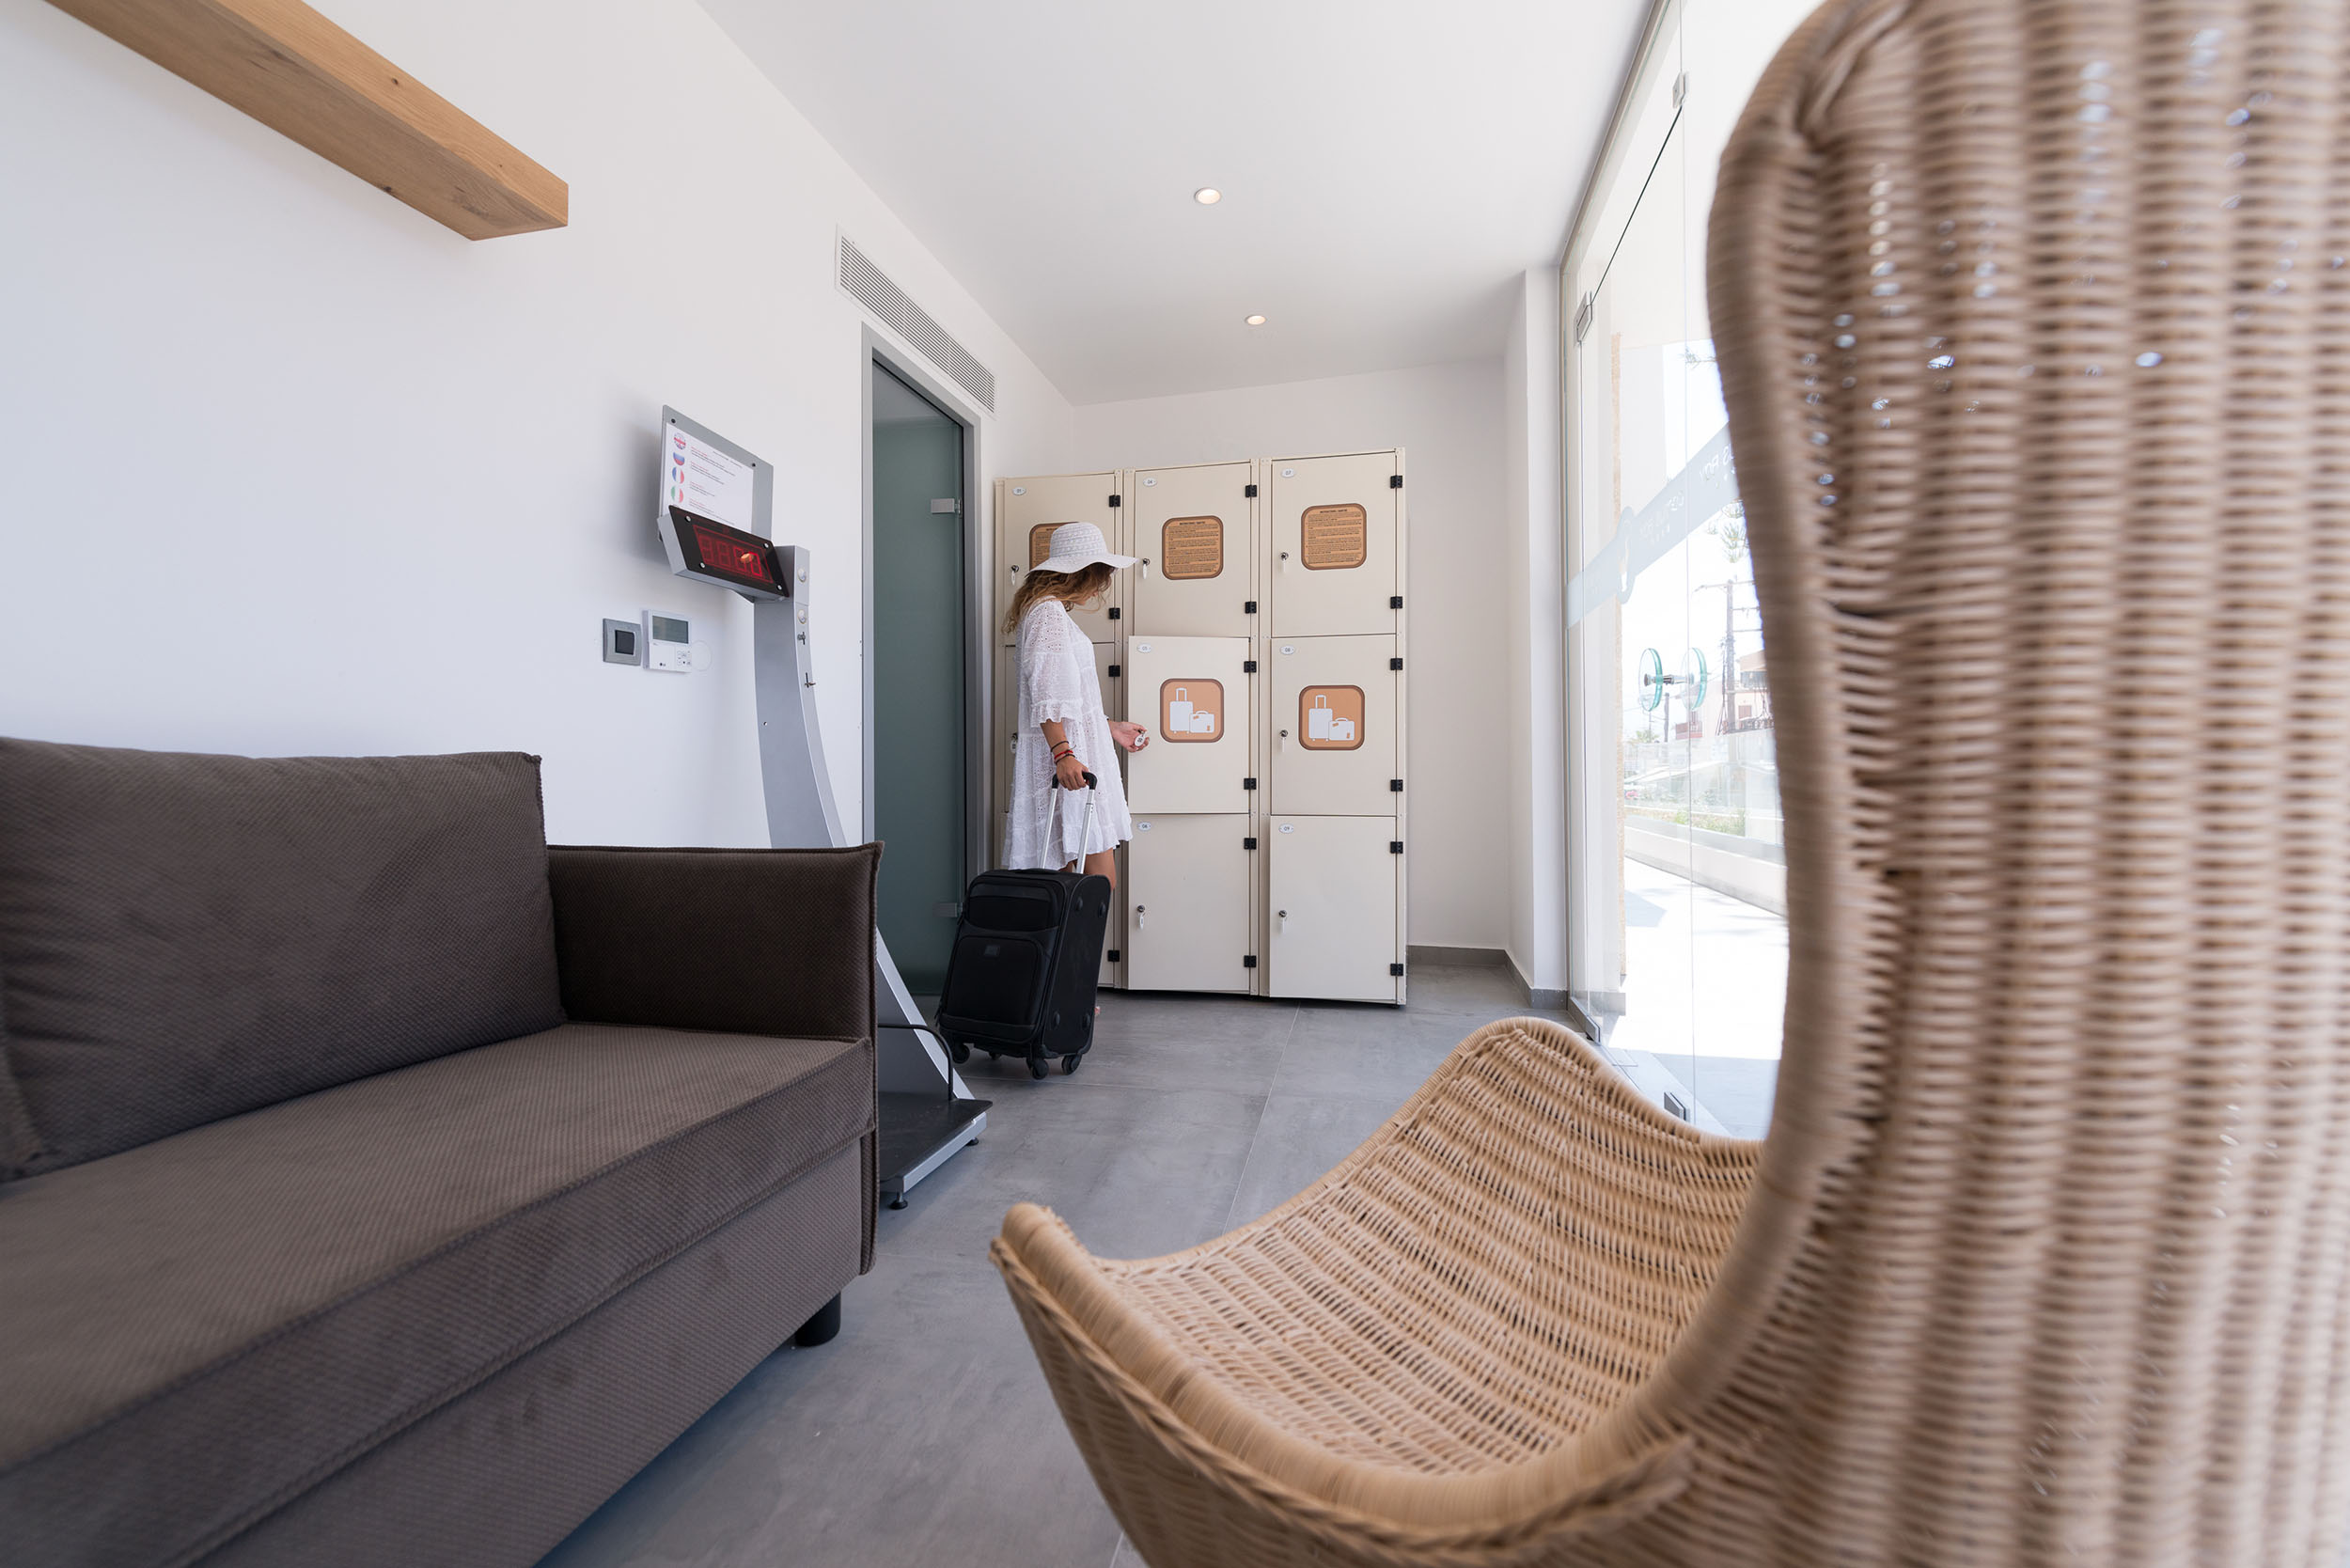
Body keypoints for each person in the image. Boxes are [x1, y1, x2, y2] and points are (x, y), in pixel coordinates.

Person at [1003, 522, 1147, 883]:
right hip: (1070, 764)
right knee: (1095, 884)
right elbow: (1047, 698)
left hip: (1073, 758)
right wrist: (1063, 754)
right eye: (1100, 574)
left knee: (1069, 885)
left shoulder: (1047, 612)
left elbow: (1063, 694)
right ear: (1080, 573)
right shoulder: (1048, 614)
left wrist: (1109, 727)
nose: (1102, 585)